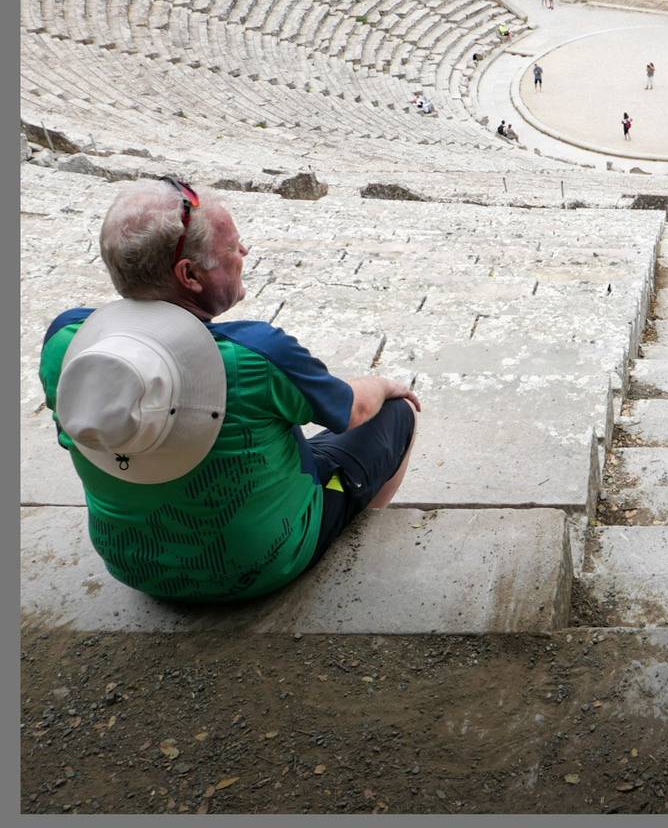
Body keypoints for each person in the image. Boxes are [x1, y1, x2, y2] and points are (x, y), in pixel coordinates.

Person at [39, 178, 421, 602]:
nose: (245, 252)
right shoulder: (255, 353)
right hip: (262, 566)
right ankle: (345, 534)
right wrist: (383, 383)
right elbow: (352, 411)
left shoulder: (66, 341)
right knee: (397, 411)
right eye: (233, 248)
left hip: (132, 565)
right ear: (189, 275)